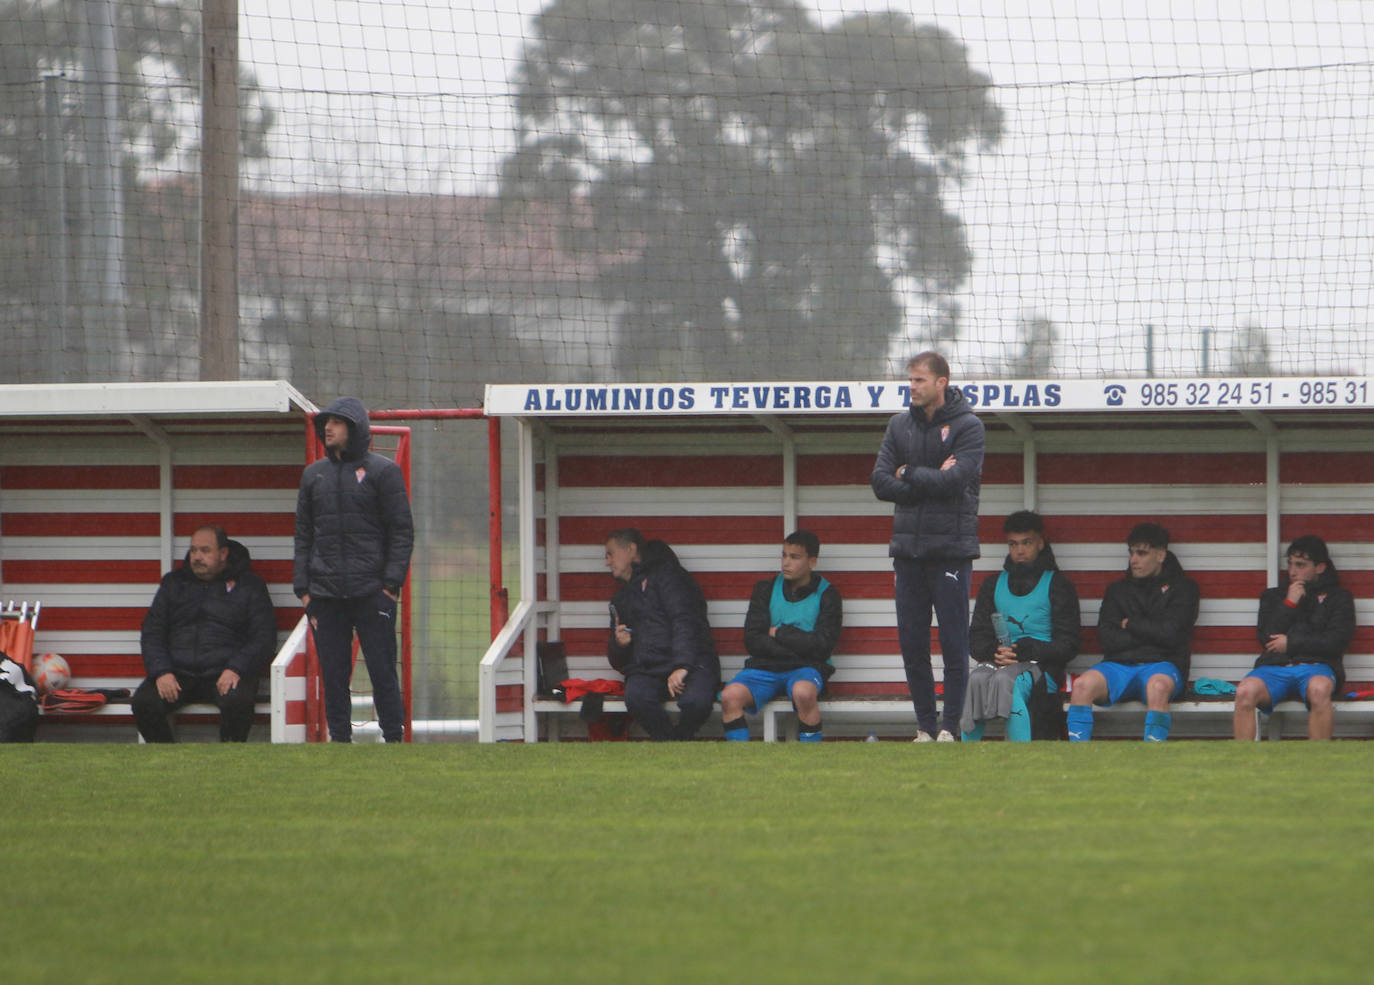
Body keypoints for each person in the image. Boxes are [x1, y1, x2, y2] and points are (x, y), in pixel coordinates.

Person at [870, 351, 984, 742]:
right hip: (907, 553)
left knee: (954, 643)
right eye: (910, 379)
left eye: (919, 380)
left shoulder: (969, 426)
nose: (911, 386)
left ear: (941, 383)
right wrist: (928, 476)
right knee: (912, 643)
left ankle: (949, 728)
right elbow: (881, 482)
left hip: (951, 551)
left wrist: (909, 474)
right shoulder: (898, 426)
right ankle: (924, 727)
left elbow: (957, 482)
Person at [294, 397, 414, 743]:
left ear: (355, 428)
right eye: (326, 423)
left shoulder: (384, 472)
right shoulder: (312, 476)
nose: (328, 428)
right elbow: (302, 534)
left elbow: (402, 532)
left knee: (382, 671)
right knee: (333, 675)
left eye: (337, 423)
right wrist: (303, 590)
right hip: (325, 596)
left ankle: (394, 739)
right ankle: (340, 742)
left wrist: (390, 586)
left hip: (372, 593)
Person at [134, 525, 277, 742]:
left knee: (238, 702)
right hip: (178, 673)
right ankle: (167, 762)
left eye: (205, 550)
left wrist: (236, 668)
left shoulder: (250, 586)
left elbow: (264, 637)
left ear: (223, 553)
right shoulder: (173, 583)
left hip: (226, 672)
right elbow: (152, 632)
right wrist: (162, 671)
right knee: (144, 702)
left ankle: (227, 765)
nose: (197, 557)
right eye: (193, 550)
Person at [1067, 522, 1200, 742]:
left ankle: (1151, 761)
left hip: (1163, 665)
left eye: (1141, 553)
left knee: (1158, 687)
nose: (1133, 560)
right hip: (1119, 665)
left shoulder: (1184, 588)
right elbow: (1107, 638)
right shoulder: (1117, 590)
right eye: (1131, 552)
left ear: (1160, 555)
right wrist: (1152, 633)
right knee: (1082, 685)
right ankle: (1077, 760)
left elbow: (1173, 635)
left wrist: (1130, 624)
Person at [962, 511, 1081, 741]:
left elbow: (1070, 644)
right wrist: (994, 652)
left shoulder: (1058, 584)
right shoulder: (992, 585)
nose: (1019, 551)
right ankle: (967, 758)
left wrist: (1027, 650)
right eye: (1013, 544)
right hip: (1000, 662)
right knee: (975, 680)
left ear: (1040, 543)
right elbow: (977, 637)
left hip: (1043, 668)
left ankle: (1021, 755)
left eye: (1026, 543)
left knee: (1009, 681)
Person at [720, 531, 843, 742]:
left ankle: (811, 762)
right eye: (784, 555)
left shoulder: (828, 594)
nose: (786, 562)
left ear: (812, 561)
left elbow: (823, 645)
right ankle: (739, 761)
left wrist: (779, 632)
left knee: (804, 693)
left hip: (806, 669)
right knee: (729, 696)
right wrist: (801, 643)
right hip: (765, 667)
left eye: (794, 557)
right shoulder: (765, 589)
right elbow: (752, 640)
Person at [1233, 535, 1354, 741]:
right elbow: (1266, 637)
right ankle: (1243, 763)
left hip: (1318, 666)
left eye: (1301, 565)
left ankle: (1318, 763)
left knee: (1320, 689)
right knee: (1244, 691)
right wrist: (1289, 603)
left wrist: (1291, 644)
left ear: (1320, 567)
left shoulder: (1338, 598)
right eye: (1289, 564)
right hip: (1275, 667)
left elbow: (1336, 641)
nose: (1292, 571)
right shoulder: (1273, 596)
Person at [605, 528, 720, 740]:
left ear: (631, 549)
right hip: (650, 669)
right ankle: (673, 746)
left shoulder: (671, 577)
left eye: (610, 553)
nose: (607, 562)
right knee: (636, 696)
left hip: (694, 662)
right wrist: (620, 645)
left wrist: (682, 666)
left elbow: (685, 620)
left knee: (696, 702)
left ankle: (679, 742)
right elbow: (618, 662)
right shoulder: (620, 599)